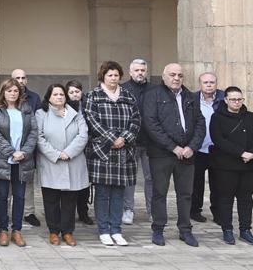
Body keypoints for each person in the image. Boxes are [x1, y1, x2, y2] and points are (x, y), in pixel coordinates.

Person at [143, 63, 204, 247]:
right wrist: (173, 147)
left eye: (180, 75)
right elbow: (151, 124)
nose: (176, 78)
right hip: (162, 154)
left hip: (187, 155)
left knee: (185, 194)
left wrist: (192, 147)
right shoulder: (152, 95)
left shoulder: (191, 96)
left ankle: (185, 230)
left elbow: (200, 123)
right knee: (159, 193)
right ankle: (158, 229)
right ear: (163, 76)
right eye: (172, 75)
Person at [83, 61, 140, 247]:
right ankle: (104, 230)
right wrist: (111, 138)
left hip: (124, 151)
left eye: (116, 75)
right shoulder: (93, 96)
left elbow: (136, 120)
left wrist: (124, 138)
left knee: (118, 194)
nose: (113, 78)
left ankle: (116, 229)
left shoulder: (128, 96)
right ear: (103, 77)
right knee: (102, 193)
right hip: (103, 151)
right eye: (110, 75)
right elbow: (92, 120)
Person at [209, 86, 253, 246]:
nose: (237, 102)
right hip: (227, 166)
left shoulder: (250, 117)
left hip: (249, 165)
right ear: (226, 100)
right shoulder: (217, 118)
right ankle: (227, 230)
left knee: (245, 198)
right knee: (226, 199)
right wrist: (241, 152)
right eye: (233, 99)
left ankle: (245, 230)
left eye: (239, 99)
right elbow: (219, 140)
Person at [35, 83, 89, 247]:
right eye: (55, 94)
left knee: (69, 200)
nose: (59, 97)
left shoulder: (76, 113)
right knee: (51, 200)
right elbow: (39, 137)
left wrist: (69, 152)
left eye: (61, 94)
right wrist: (57, 154)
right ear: (48, 97)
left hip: (73, 161)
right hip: (51, 162)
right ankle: (53, 231)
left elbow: (83, 135)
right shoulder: (41, 113)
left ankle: (67, 232)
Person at [0, 77, 36, 247]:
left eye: (15, 90)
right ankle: (3, 230)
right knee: (2, 197)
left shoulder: (27, 109)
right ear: (3, 92)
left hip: (22, 161)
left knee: (20, 196)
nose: (13, 93)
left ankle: (17, 230)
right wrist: (11, 152)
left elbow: (33, 133)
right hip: (3, 160)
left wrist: (24, 152)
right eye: (9, 91)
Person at [120, 58, 153, 225]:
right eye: (137, 70)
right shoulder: (123, 89)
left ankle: (152, 210)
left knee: (151, 178)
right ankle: (128, 210)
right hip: (130, 142)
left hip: (151, 142)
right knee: (129, 179)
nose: (140, 73)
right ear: (130, 72)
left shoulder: (155, 89)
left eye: (143, 70)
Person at [192, 71, 224, 224]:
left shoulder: (224, 99)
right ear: (200, 84)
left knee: (218, 184)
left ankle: (218, 212)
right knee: (196, 183)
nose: (209, 85)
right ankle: (195, 211)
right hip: (198, 148)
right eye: (205, 82)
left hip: (218, 149)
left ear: (216, 84)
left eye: (212, 82)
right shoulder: (192, 99)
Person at [11, 68, 41, 227]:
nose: (21, 81)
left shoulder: (34, 98)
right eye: (17, 78)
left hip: (28, 147)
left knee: (27, 182)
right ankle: (7, 212)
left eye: (23, 78)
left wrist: (27, 148)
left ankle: (28, 212)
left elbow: (37, 123)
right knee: (8, 182)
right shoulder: (5, 97)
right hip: (9, 148)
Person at [64, 79, 93, 225]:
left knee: (85, 183)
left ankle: (83, 211)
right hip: (71, 148)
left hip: (88, 148)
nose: (75, 95)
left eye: (77, 91)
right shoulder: (65, 107)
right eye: (71, 92)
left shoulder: (88, 104)